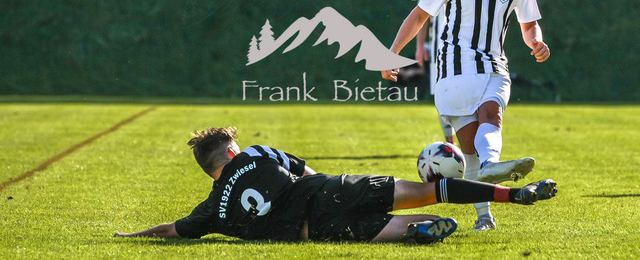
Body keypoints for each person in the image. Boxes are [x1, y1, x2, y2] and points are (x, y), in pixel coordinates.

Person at [382, 0, 551, 231]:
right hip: (453, 69)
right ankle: (484, 215)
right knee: (469, 151)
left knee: (492, 114)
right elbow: (419, 15)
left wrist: (536, 42)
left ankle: (492, 165)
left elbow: (529, 24)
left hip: (494, 64)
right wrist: (393, 53)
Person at [114, 126, 557, 244]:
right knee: (430, 189)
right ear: (231, 152)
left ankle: (418, 230)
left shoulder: (212, 210)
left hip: (318, 229)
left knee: (395, 228)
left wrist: (132, 235)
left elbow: (171, 229)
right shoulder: (253, 154)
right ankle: (514, 194)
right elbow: (305, 171)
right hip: (332, 189)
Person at [415, 0, 464, 145]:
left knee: (465, 98)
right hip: (439, 53)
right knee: (443, 100)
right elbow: (422, 17)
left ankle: (470, 143)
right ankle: (450, 144)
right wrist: (420, 47)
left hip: (466, 52)